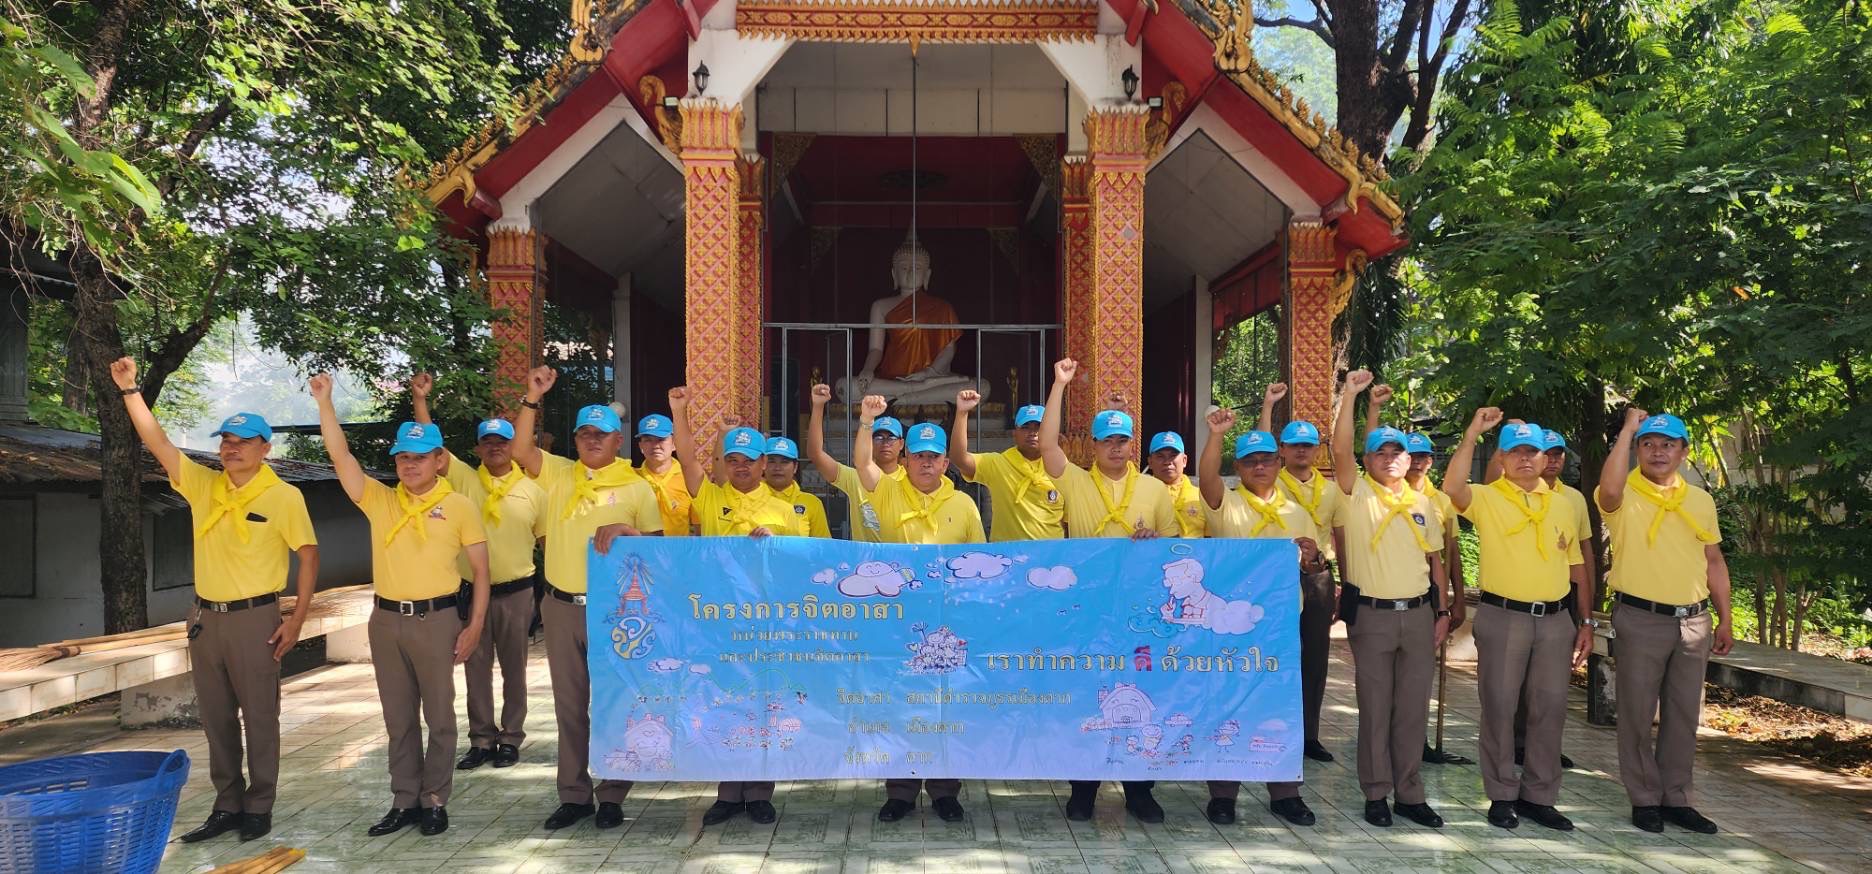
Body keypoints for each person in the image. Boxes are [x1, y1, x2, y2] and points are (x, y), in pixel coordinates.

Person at [110, 358, 317, 844]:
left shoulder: (284, 497)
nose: (231, 448)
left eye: (242, 441)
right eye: (225, 440)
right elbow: (158, 443)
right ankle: (227, 804)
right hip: (206, 618)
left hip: (256, 618)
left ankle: (259, 805)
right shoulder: (204, 486)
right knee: (216, 718)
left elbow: (308, 555)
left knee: (260, 716)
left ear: (265, 448)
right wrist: (129, 390)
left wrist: (296, 619)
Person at [311, 374, 489, 838]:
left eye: (419, 456)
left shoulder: (460, 506)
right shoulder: (381, 500)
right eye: (403, 457)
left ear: (438, 460)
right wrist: (325, 403)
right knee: (398, 716)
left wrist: (473, 626)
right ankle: (404, 799)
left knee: (440, 716)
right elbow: (341, 458)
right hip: (386, 620)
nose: (410, 465)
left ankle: (435, 800)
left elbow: (481, 572)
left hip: (437, 618)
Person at [510, 366, 664, 831]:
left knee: (616, 702)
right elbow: (520, 450)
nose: (592, 440)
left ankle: (612, 792)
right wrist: (532, 397)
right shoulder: (558, 474)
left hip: (615, 612)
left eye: (602, 434)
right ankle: (574, 794)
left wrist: (628, 530)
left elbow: (658, 552)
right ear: (575, 440)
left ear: (618, 441)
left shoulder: (637, 486)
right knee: (570, 705)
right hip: (561, 607)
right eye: (584, 434)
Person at [1038, 358, 1178, 823]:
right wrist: (1059, 385)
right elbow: (1047, 443)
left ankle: (1139, 789)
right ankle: (1084, 788)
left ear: (1132, 444)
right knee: (1088, 695)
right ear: (1093, 445)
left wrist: (1155, 544)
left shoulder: (1154, 491)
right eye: (1107, 440)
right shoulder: (1076, 482)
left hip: (1141, 614)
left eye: (1123, 440)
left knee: (1141, 694)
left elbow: (1175, 549)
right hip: (1088, 611)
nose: (1116, 448)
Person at [1443, 412, 1593, 831]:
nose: (1525, 459)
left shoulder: (1563, 504)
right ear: (1502, 459)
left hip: (1555, 620)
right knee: (1500, 707)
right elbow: (1452, 488)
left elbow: (1576, 566)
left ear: (1546, 458)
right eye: (1514, 452)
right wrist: (1472, 433)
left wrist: (1585, 621)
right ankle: (1502, 794)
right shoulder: (1487, 498)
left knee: (1550, 709)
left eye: (1532, 452)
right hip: (1504, 616)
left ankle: (1539, 796)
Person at [669, 388, 807, 826]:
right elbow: (687, 460)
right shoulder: (711, 498)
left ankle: (760, 792)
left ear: (764, 464)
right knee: (723, 703)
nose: (741, 466)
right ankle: (728, 794)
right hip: (719, 622)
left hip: (767, 623)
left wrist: (778, 544)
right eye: (733, 460)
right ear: (725, 464)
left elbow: (801, 566)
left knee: (765, 703)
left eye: (749, 460)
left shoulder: (787, 511)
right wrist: (679, 411)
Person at [1597, 410, 1732, 835]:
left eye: (1668, 444)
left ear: (1684, 452)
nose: (1658, 452)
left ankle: (1676, 798)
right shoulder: (1625, 492)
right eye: (1649, 444)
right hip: (1641, 617)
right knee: (1636, 713)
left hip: (1693, 621)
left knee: (1683, 714)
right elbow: (1608, 490)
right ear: (1637, 450)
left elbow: (1713, 560)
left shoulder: (1700, 500)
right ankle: (1644, 798)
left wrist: (1725, 617)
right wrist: (1626, 430)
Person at [853, 397, 985, 823]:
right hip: (898, 624)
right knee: (901, 704)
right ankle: (901, 792)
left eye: (934, 456)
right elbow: (862, 464)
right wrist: (867, 420)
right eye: (919, 456)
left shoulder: (964, 505)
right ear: (905, 459)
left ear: (946, 462)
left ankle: (945, 791)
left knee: (947, 706)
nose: (926, 463)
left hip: (948, 624)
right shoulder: (887, 491)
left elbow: (978, 563)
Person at [1330, 369, 1451, 829]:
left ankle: (1410, 794)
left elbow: (1434, 561)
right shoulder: (1355, 493)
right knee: (1376, 708)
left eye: (1396, 452)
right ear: (1367, 460)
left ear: (1408, 459)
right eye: (1379, 452)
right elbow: (1340, 449)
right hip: (1373, 616)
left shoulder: (1423, 503)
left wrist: (1443, 611)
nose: (1389, 459)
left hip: (1418, 615)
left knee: (1413, 710)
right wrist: (1351, 395)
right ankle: (1376, 792)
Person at [409, 375, 547, 772]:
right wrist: (420, 400)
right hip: (472, 592)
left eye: (502, 441)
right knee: (475, 666)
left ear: (513, 446)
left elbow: (547, 544)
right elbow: (431, 441)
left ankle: (511, 737)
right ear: (478, 448)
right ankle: (482, 739)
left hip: (517, 591)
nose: (495, 447)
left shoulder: (534, 491)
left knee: (515, 669)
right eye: (488, 442)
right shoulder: (465, 481)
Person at [1193, 411, 1322, 828]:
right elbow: (1206, 477)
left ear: (1279, 463)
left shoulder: (1298, 512)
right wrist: (1215, 435)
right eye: (1250, 461)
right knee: (1226, 707)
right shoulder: (1226, 504)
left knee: (1280, 709)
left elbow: (1313, 565)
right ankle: (1223, 794)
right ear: (1239, 467)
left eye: (1267, 459)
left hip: (1280, 629)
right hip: (1230, 628)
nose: (1260, 466)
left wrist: (1312, 557)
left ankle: (1285, 793)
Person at [1256, 383, 1340, 763]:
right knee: (1273, 653)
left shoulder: (1330, 490)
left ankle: (1309, 734)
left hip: (1317, 574)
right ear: (1282, 452)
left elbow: (1340, 534)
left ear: (1317, 449)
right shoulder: (1272, 481)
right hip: (1277, 575)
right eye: (1294, 446)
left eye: (1308, 445)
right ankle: (1269, 726)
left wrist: (1343, 582)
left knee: (1315, 656)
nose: (1302, 451)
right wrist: (1268, 406)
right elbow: (1259, 445)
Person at [948, 394, 1064, 542]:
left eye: (1038, 427)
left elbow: (1068, 523)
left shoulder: (1060, 469)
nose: (1033, 432)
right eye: (1026, 427)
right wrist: (962, 413)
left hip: (1051, 554)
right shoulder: (999, 463)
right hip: (1008, 555)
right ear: (1015, 433)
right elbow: (959, 459)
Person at [807, 382, 905, 541]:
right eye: (878, 437)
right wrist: (818, 407)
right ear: (869, 441)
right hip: (863, 557)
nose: (885, 443)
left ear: (901, 444)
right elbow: (816, 454)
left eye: (891, 437)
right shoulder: (856, 478)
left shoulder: (911, 481)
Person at [636, 413, 695, 537]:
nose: (655, 445)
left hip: (678, 548)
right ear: (641, 446)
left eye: (661, 439)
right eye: (648, 440)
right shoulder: (631, 479)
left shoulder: (688, 479)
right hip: (640, 549)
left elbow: (700, 526)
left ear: (674, 444)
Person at [763, 436, 832, 538]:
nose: (777, 468)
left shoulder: (812, 503)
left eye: (784, 462)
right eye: (771, 461)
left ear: (795, 467)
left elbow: (822, 544)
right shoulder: (751, 499)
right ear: (763, 465)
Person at [1147, 431, 1206, 538]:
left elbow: (1212, 540)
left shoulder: (1202, 497)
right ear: (1150, 462)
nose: (1167, 462)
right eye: (1160, 456)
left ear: (1184, 460)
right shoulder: (1140, 495)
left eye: (1173, 456)